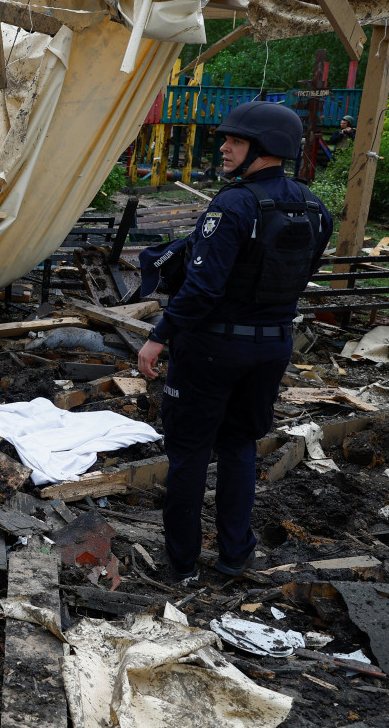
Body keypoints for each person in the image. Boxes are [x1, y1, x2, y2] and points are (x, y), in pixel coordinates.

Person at [137, 101, 332, 583]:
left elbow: (202, 289)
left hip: (212, 350)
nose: (223, 148)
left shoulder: (234, 204)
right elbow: (304, 277)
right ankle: (234, 555)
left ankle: (181, 565)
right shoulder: (314, 208)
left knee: (189, 453)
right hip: (272, 347)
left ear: (263, 150)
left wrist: (158, 337)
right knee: (241, 445)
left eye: (236, 141)